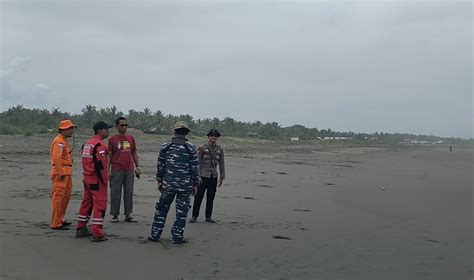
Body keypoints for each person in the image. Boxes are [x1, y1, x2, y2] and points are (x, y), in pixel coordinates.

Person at [148, 121, 199, 244]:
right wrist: (195, 184)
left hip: (168, 184)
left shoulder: (166, 146)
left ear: (175, 132)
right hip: (184, 185)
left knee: (161, 209)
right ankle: (177, 237)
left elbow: (160, 165)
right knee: (181, 213)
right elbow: (195, 168)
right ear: (186, 133)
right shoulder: (191, 148)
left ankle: (155, 235)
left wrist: (159, 181)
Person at [76, 121, 113, 242]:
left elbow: (84, 160)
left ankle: (80, 227)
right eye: (106, 129)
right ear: (100, 130)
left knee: (86, 203)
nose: (108, 131)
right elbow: (101, 166)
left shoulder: (87, 144)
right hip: (96, 180)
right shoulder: (100, 145)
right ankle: (97, 232)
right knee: (100, 204)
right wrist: (105, 180)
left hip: (87, 178)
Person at [108, 117, 140, 223]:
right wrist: (108, 170)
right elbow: (109, 155)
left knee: (129, 192)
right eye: (122, 125)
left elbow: (134, 152)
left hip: (129, 169)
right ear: (117, 126)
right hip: (117, 169)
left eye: (126, 125)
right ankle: (115, 215)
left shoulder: (131, 138)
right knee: (115, 192)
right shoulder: (112, 139)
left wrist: (137, 167)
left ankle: (128, 215)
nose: (124, 127)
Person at [190, 129, 225, 223]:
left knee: (211, 197)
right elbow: (198, 163)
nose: (213, 137)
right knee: (198, 197)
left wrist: (222, 177)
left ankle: (208, 217)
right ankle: (194, 216)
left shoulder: (219, 150)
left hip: (213, 177)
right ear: (208, 137)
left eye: (215, 136)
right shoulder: (202, 148)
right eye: (211, 136)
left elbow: (221, 164)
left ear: (217, 138)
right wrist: (197, 176)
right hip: (203, 176)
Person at [50, 119, 76, 230]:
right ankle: (56, 223)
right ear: (64, 129)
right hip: (61, 174)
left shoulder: (63, 141)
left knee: (65, 198)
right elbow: (56, 157)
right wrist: (60, 172)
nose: (72, 131)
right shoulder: (59, 141)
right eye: (70, 129)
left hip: (67, 173)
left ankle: (60, 219)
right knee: (58, 198)